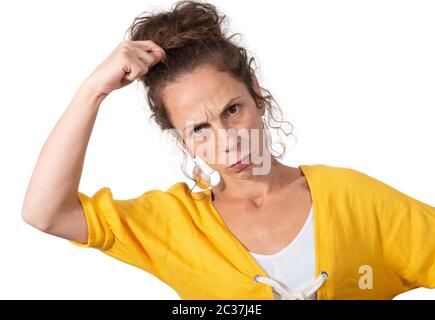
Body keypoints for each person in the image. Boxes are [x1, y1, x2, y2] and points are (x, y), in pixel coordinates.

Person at [21, 0, 435, 300]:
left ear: (258, 96)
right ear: (182, 139)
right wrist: (93, 90)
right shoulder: (174, 224)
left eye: (232, 110)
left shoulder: (353, 197)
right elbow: (46, 214)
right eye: (199, 128)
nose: (227, 138)